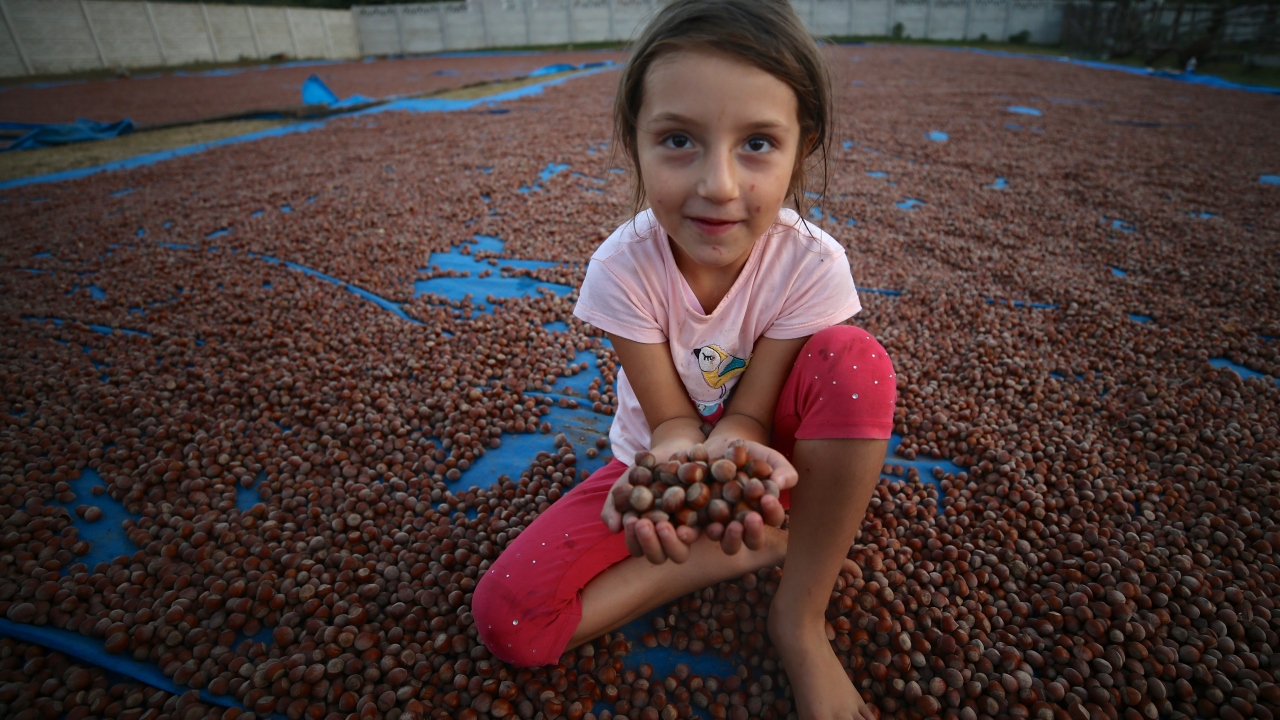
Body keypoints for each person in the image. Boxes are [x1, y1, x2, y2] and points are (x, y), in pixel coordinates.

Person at [473, 1, 894, 717]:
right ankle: (761, 544)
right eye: (677, 139)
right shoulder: (622, 268)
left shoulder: (811, 263)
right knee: (510, 621)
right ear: (634, 141)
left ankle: (798, 618)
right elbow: (670, 422)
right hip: (657, 462)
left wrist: (734, 463)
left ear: (804, 146)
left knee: (855, 362)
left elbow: (750, 416)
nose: (718, 185)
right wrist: (669, 475)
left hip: (776, 467)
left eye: (757, 142)